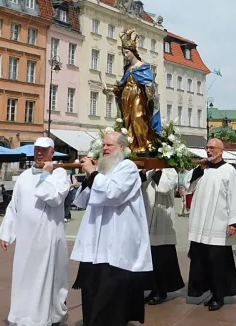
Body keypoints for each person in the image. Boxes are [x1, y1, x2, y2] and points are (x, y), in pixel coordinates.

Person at [71, 132, 152, 326]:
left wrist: (94, 173)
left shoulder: (128, 168)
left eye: (110, 145)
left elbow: (113, 193)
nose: (105, 149)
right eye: (104, 145)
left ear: (122, 147)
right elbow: (81, 201)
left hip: (116, 240)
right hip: (95, 241)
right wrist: (90, 174)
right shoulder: (104, 169)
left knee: (110, 292)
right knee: (92, 288)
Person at [0, 137, 69, 326]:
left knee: (44, 280)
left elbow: (54, 197)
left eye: (44, 150)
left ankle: (45, 317)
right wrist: (7, 233)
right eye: (37, 149)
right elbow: (14, 206)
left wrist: (46, 175)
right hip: (26, 239)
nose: (39, 153)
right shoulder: (24, 176)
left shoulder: (59, 173)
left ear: (52, 153)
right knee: (23, 277)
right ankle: (22, 315)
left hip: (47, 237)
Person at [187, 138, 236, 311]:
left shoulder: (229, 171)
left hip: (219, 224)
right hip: (201, 224)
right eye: (207, 148)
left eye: (212, 148)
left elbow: (235, 196)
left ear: (221, 151)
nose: (208, 151)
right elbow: (188, 187)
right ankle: (208, 291)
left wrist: (234, 222)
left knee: (217, 261)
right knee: (203, 260)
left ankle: (219, 295)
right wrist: (199, 170)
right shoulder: (203, 170)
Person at [104, 29, 162, 153]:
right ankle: (132, 145)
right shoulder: (128, 69)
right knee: (128, 121)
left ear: (133, 52)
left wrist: (150, 87)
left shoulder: (143, 67)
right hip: (126, 97)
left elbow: (150, 82)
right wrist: (109, 90)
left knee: (138, 117)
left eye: (127, 52)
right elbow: (120, 86)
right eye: (124, 53)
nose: (125, 55)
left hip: (138, 96)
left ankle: (146, 143)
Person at [141, 168, 185, 305]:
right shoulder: (146, 170)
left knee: (161, 257)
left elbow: (165, 187)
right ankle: (152, 289)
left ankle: (161, 291)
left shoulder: (170, 171)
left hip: (162, 219)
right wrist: (143, 173)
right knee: (149, 257)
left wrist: (156, 171)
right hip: (146, 216)